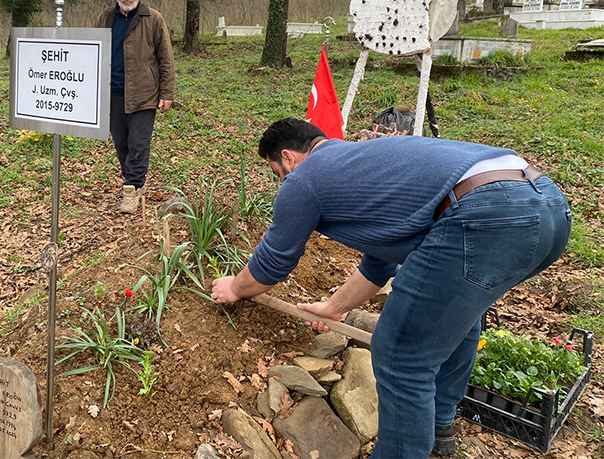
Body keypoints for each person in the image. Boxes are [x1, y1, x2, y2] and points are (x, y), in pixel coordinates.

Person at [211, 118, 571, 459]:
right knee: (457, 317)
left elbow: (273, 263)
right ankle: (438, 424)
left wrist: (236, 287)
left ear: (287, 157)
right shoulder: (360, 164)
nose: (281, 181)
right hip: (546, 205)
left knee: (401, 355)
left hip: (485, 212)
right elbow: (377, 264)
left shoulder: (304, 178)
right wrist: (333, 307)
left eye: (277, 173)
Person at [96, 0, 175, 213]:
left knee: (138, 144)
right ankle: (133, 184)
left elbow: (166, 58)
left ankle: (131, 190)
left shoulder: (153, 19)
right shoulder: (105, 18)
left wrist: (167, 93)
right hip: (113, 94)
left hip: (144, 94)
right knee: (122, 145)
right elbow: (92, 53)